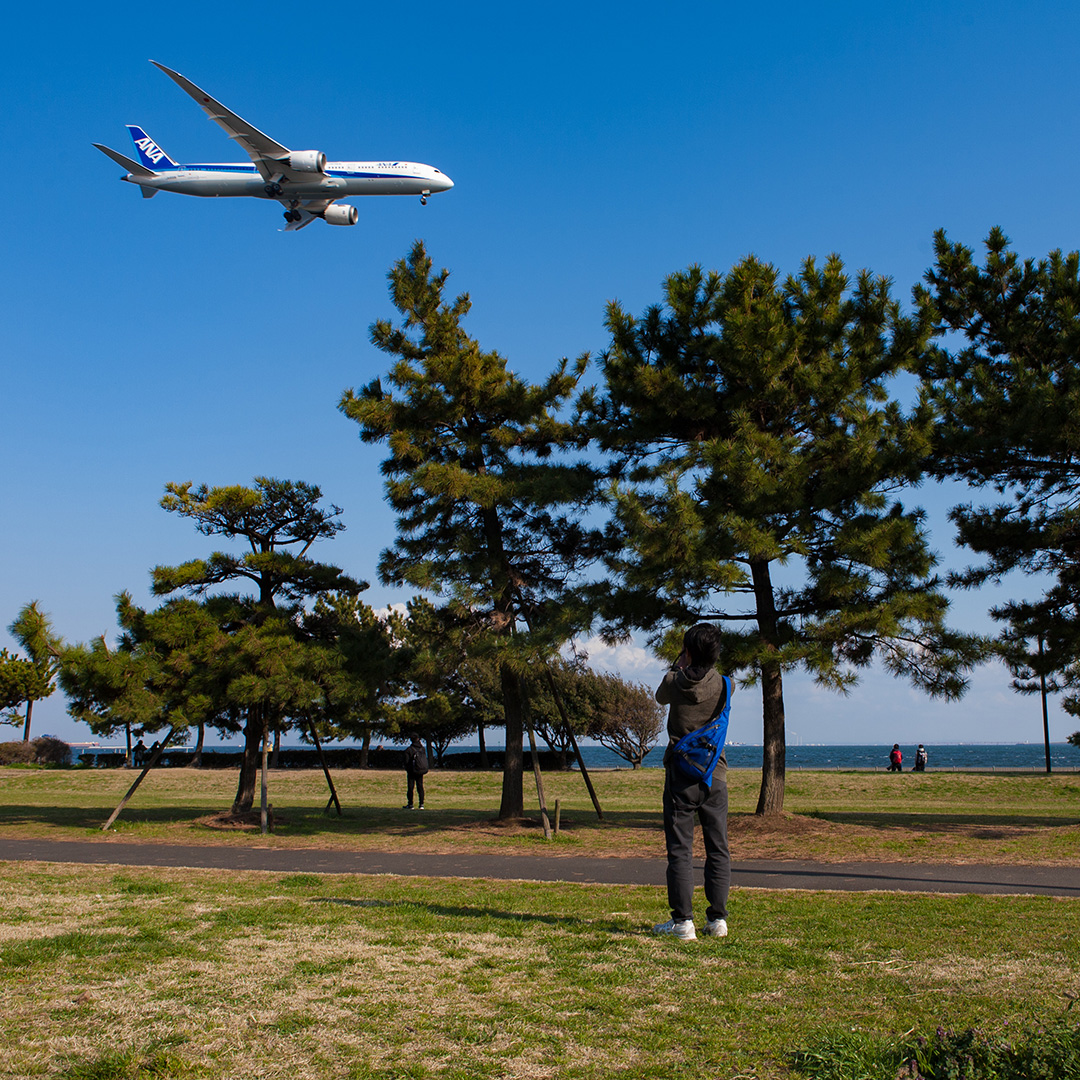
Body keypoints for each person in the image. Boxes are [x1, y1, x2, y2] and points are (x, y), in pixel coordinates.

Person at [652, 622, 730, 942]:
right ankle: (718, 919)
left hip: (680, 777)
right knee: (718, 848)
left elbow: (660, 696)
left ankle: (683, 922)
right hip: (715, 775)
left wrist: (678, 666)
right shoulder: (726, 685)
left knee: (681, 850)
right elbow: (710, 677)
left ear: (687, 650)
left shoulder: (673, 682)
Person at [402, 733, 429, 810]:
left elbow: (406, 762)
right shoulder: (422, 749)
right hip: (420, 770)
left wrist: (408, 769)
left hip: (412, 771)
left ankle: (410, 804)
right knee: (420, 787)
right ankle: (421, 804)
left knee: (411, 787)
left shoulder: (409, 750)